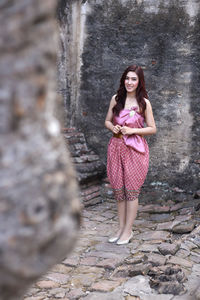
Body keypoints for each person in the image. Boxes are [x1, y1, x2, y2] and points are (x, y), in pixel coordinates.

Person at [105, 65, 156, 245]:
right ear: (123, 79)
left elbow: (152, 128)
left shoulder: (144, 103)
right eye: (127, 78)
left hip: (135, 150)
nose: (129, 82)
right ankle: (120, 228)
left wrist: (133, 130)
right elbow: (107, 121)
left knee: (131, 192)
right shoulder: (116, 99)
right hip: (116, 147)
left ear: (139, 81)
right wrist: (114, 127)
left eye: (134, 79)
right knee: (119, 191)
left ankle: (128, 231)